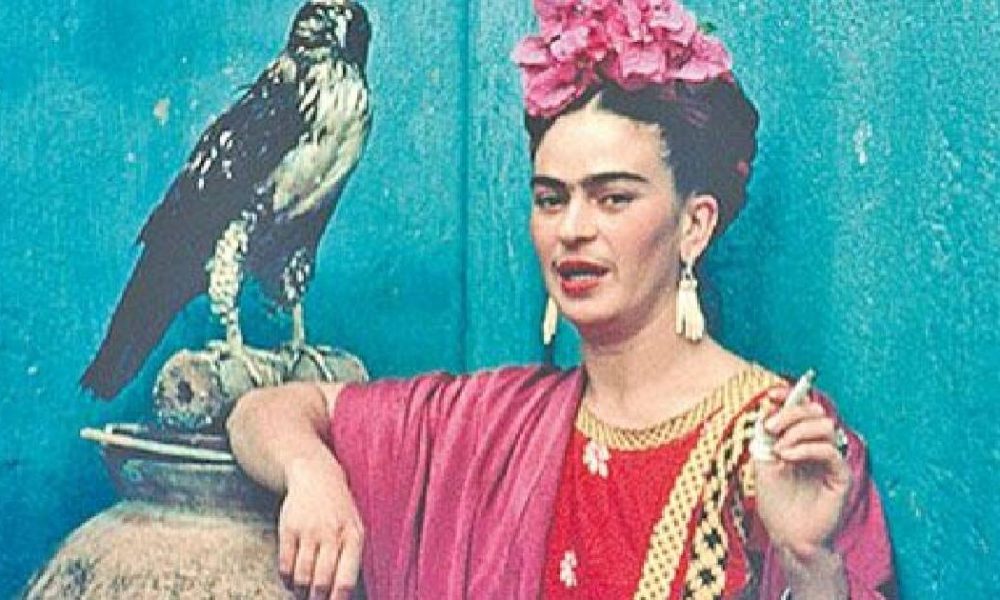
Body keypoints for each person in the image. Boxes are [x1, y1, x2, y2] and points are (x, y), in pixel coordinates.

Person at [227, 0, 897, 598]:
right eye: (551, 199)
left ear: (694, 225)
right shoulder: (488, 424)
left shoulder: (780, 439)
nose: (572, 229)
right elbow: (264, 412)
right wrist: (311, 473)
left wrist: (809, 562)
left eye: (613, 198)